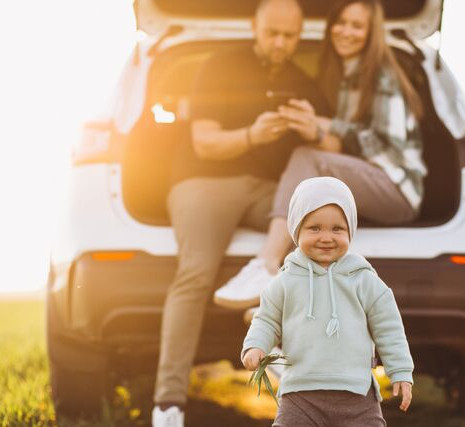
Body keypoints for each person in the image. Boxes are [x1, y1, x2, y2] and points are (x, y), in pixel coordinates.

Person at [152, 0, 328, 425]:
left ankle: (297, 370)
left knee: (309, 250)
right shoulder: (219, 65)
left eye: (290, 36)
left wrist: (314, 129)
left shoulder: (304, 83)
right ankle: (168, 403)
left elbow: (325, 155)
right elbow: (204, 144)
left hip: (267, 192)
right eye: (273, 33)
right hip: (202, 183)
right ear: (255, 26)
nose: (282, 43)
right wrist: (252, 134)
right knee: (195, 272)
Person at [214, 0, 427, 310]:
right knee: (312, 178)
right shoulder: (339, 75)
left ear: (371, 34)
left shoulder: (381, 75)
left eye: (357, 25)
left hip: (396, 188)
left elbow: (387, 147)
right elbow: (335, 143)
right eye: (340, 23)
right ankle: (279, 302)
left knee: (307, 157)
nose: (346, 32)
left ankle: (266, 264)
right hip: (366, 184)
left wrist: (325, 126)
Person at [242, 176, 413, 426]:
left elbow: (389, 329)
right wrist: (256, 345)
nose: (326, 237)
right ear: (296, 229)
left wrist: (400, 371)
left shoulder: (364, 279)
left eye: (337, 229)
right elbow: (267, 319)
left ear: (350, 231)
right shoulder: (285, 280)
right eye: (315, 228)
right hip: (300, 396)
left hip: (357, 397)